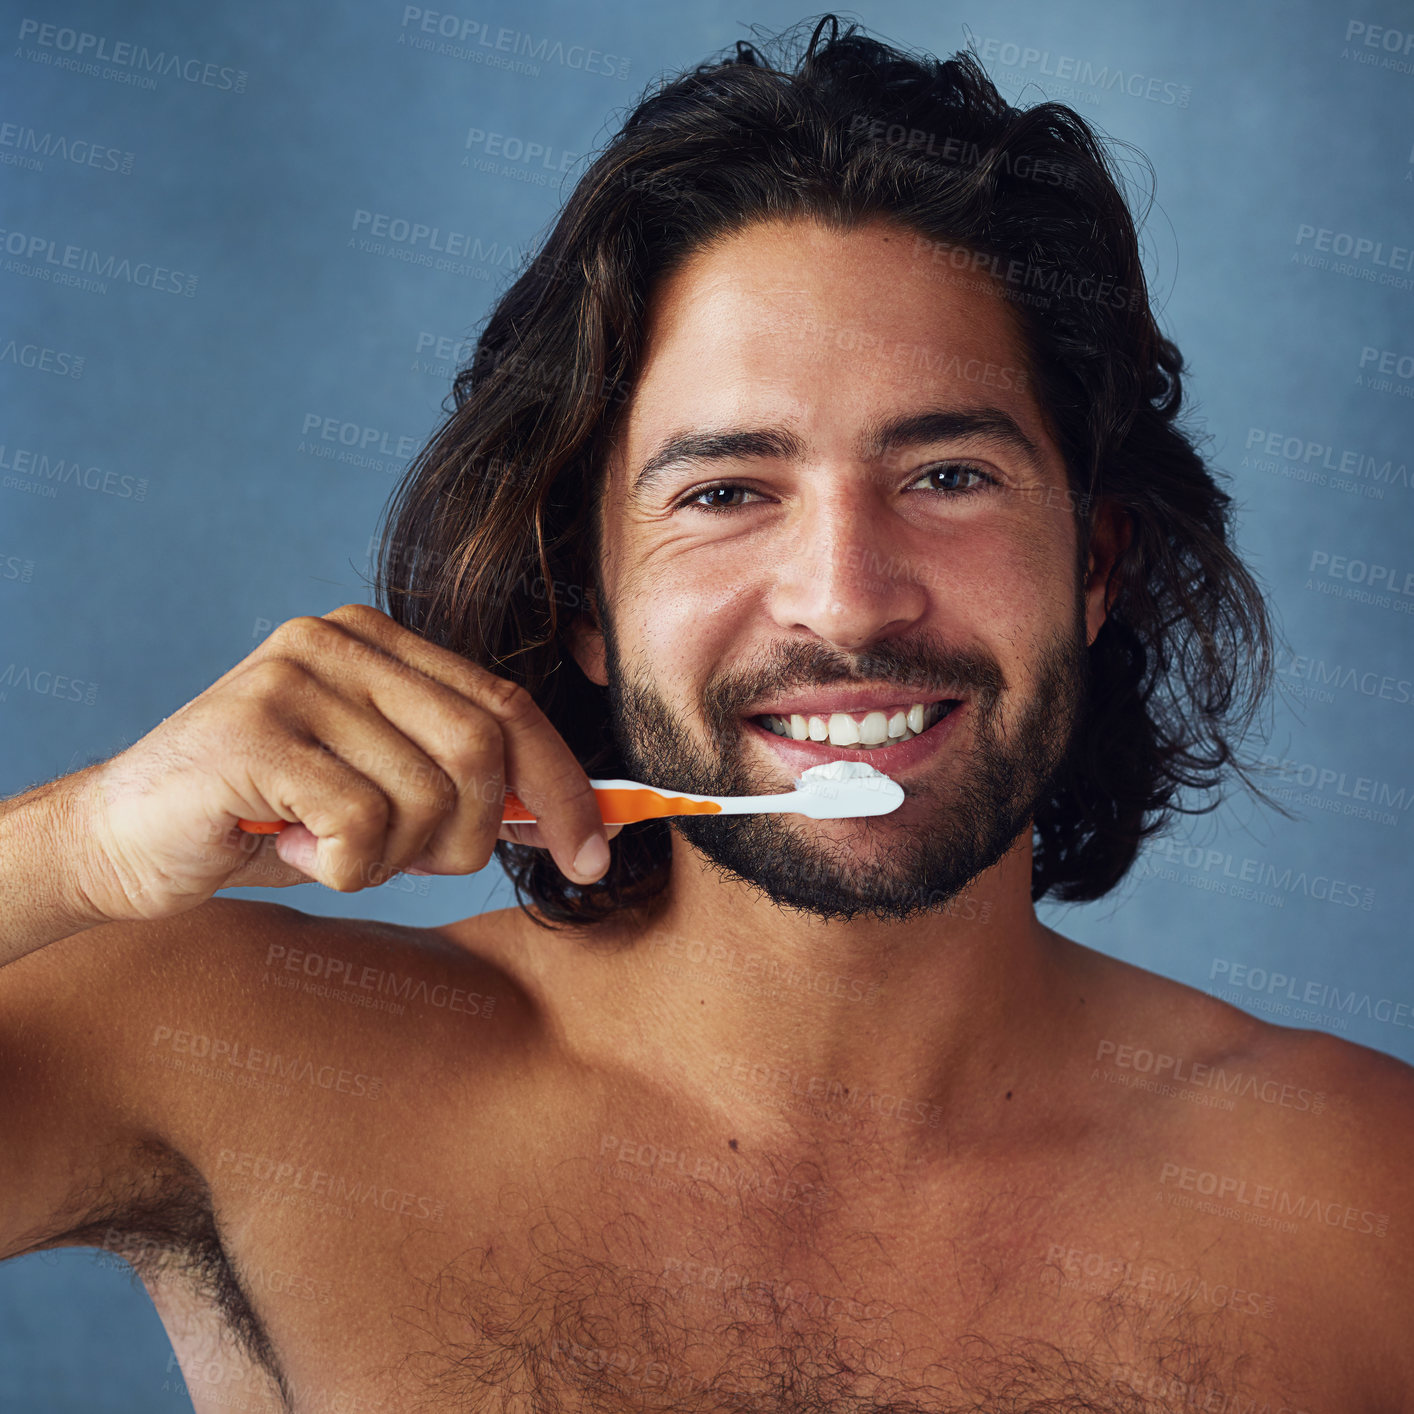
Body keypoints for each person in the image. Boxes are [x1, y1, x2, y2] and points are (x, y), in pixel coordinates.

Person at [2, 16, 1410, 1413]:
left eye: (947, 476)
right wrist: (75, 852)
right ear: (586, 609)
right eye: (726, 492)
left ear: (1095, 566)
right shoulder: (233, 1057)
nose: (847, 601)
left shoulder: (1360, 1193)